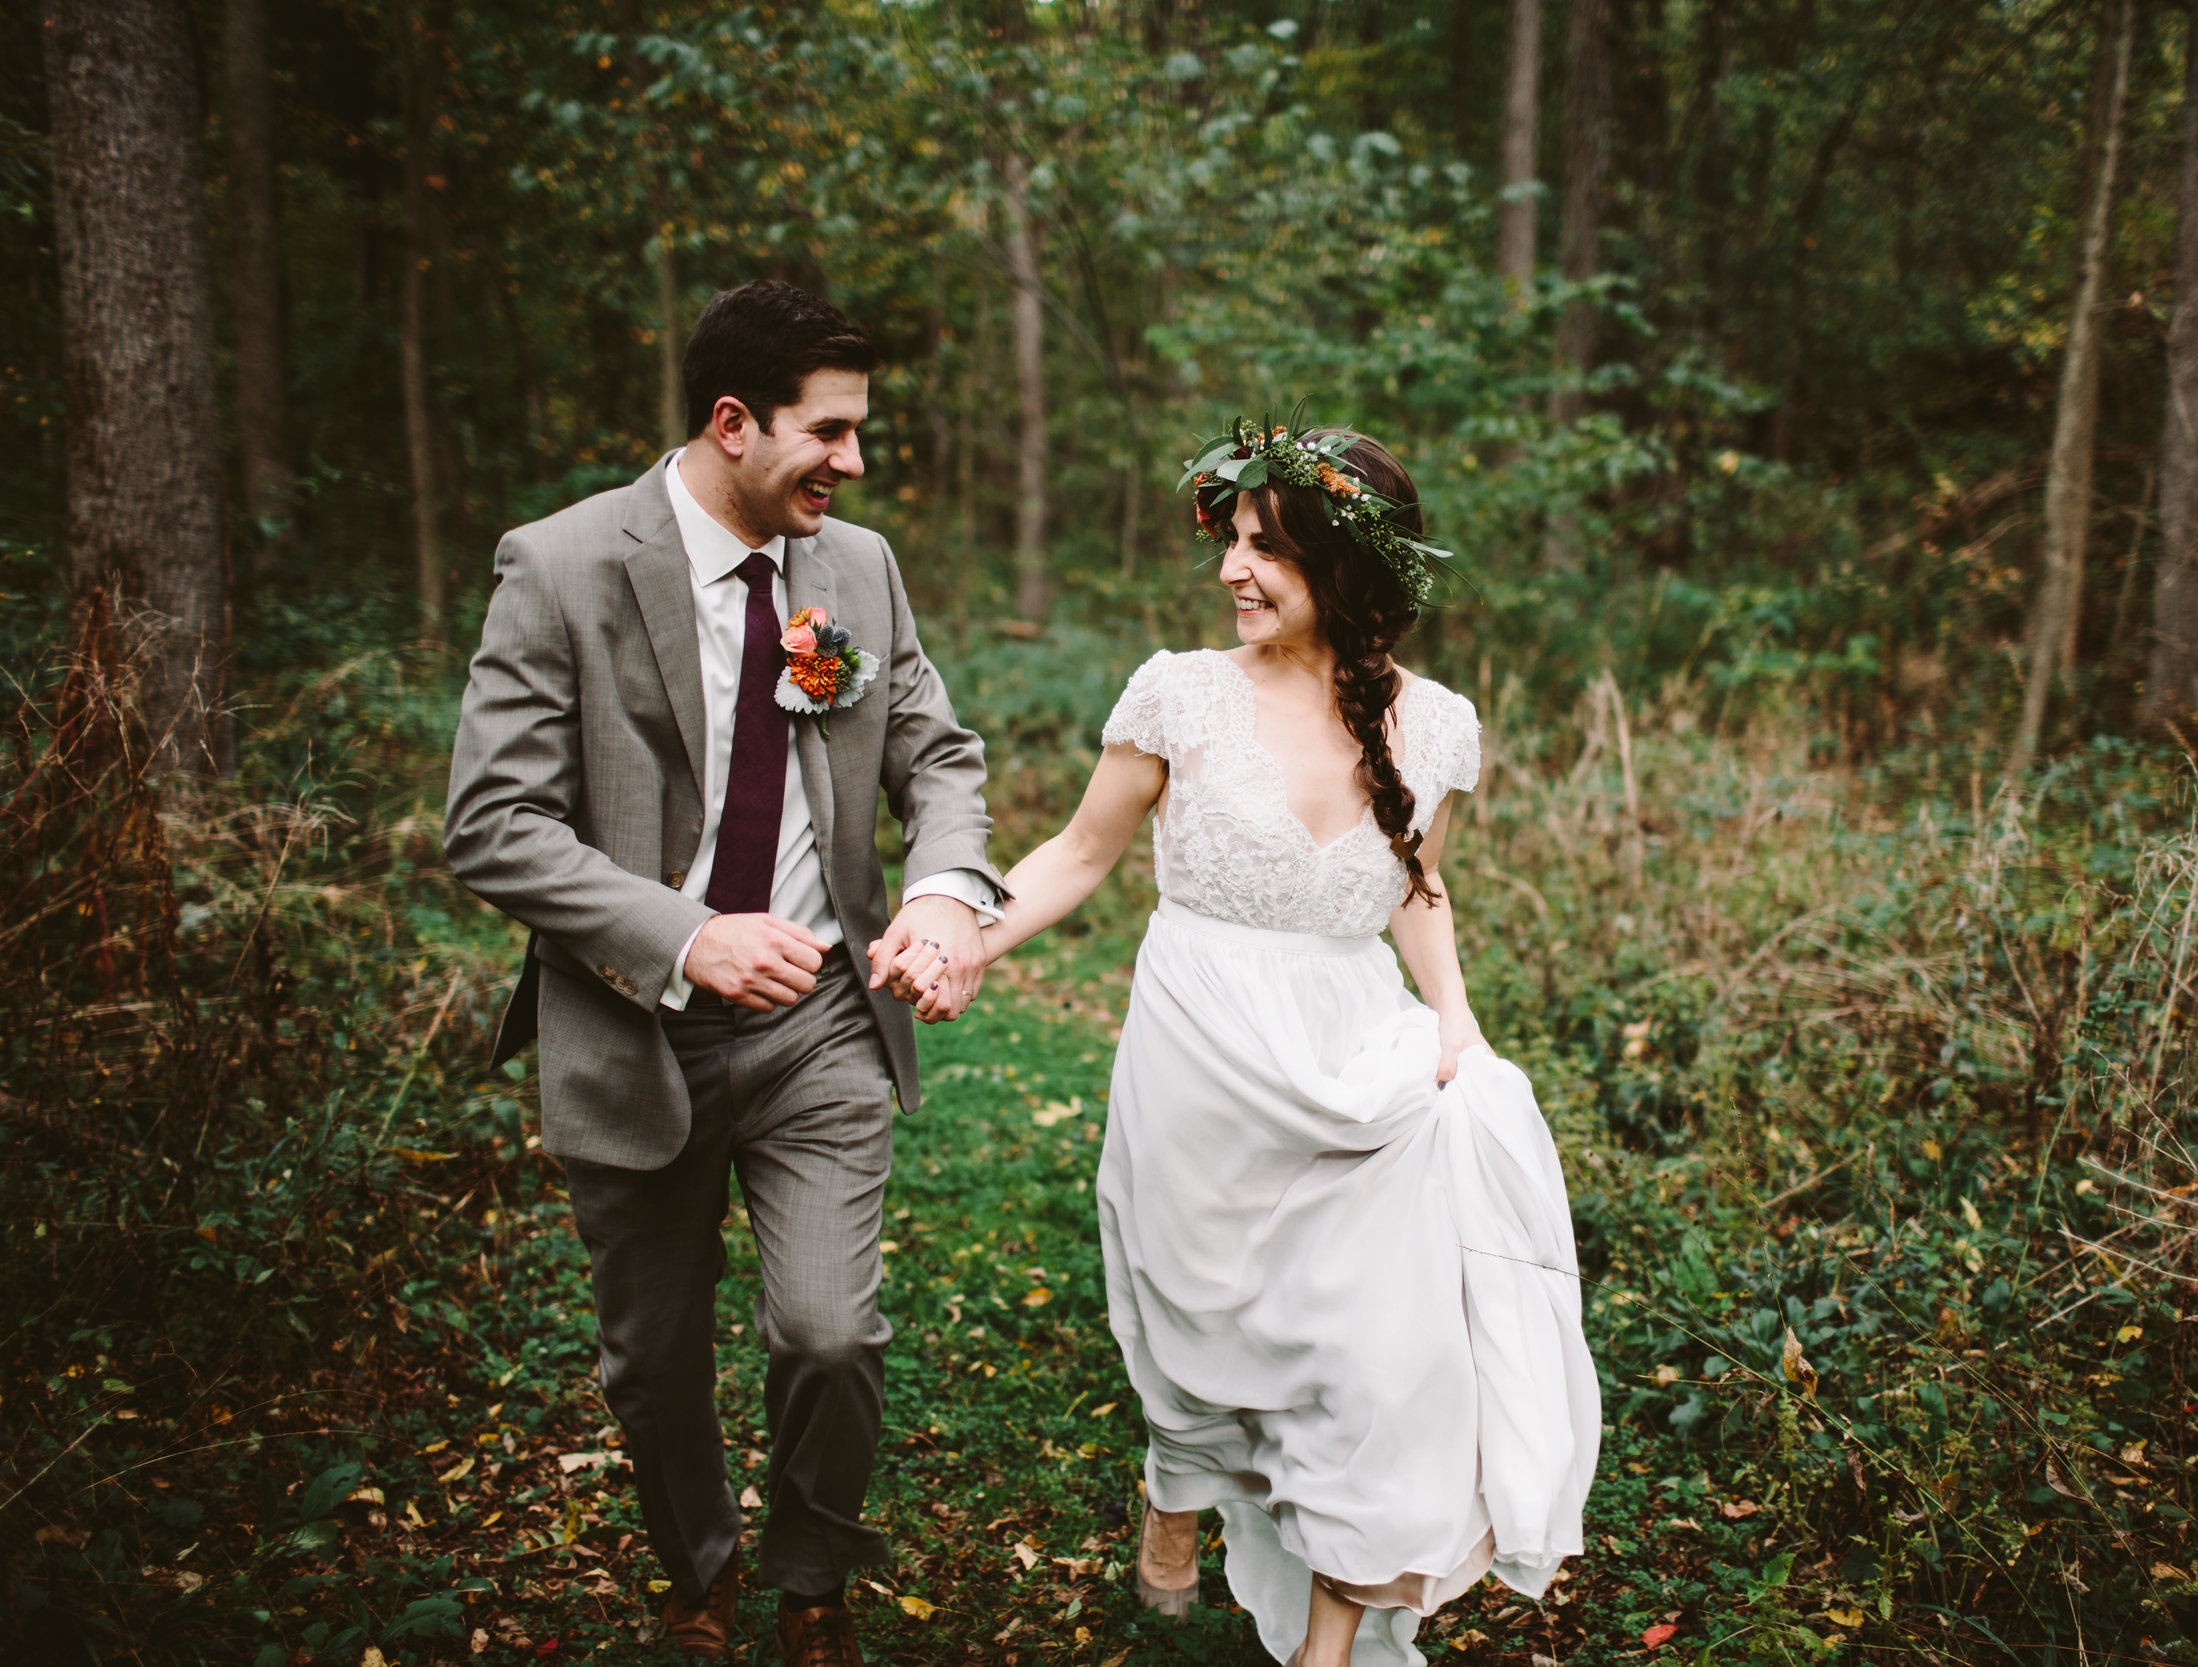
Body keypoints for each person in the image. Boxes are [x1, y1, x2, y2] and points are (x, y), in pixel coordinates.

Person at [933, 417, 1600, 1667]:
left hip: (1359, 1055)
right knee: (1200, 1325)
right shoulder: (1178, 694)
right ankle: (1176, 1491)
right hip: (1200, 1041)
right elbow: (1079, 852)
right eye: (1233, 542)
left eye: (1268, 553)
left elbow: (1417, 888)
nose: (1235, 570)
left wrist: (1455, 1023)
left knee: (1373, 1351)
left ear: (1348, 572)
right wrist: (967, 935)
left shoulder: (1438, 723)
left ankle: (1328, 1643)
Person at [443, 279, 1001, 1667]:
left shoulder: (855, 569)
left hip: (820, 1025)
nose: (857, 464)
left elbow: (936, 754)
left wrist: (939, 896)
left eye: (862, 431)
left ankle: (812, 1575)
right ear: (733, 422)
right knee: (652, 1358)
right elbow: (493, 824)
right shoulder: (560, 567)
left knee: (829, 1329)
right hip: (635, 1030)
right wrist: (685, 935)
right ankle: (698, 1566)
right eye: (831, 432)